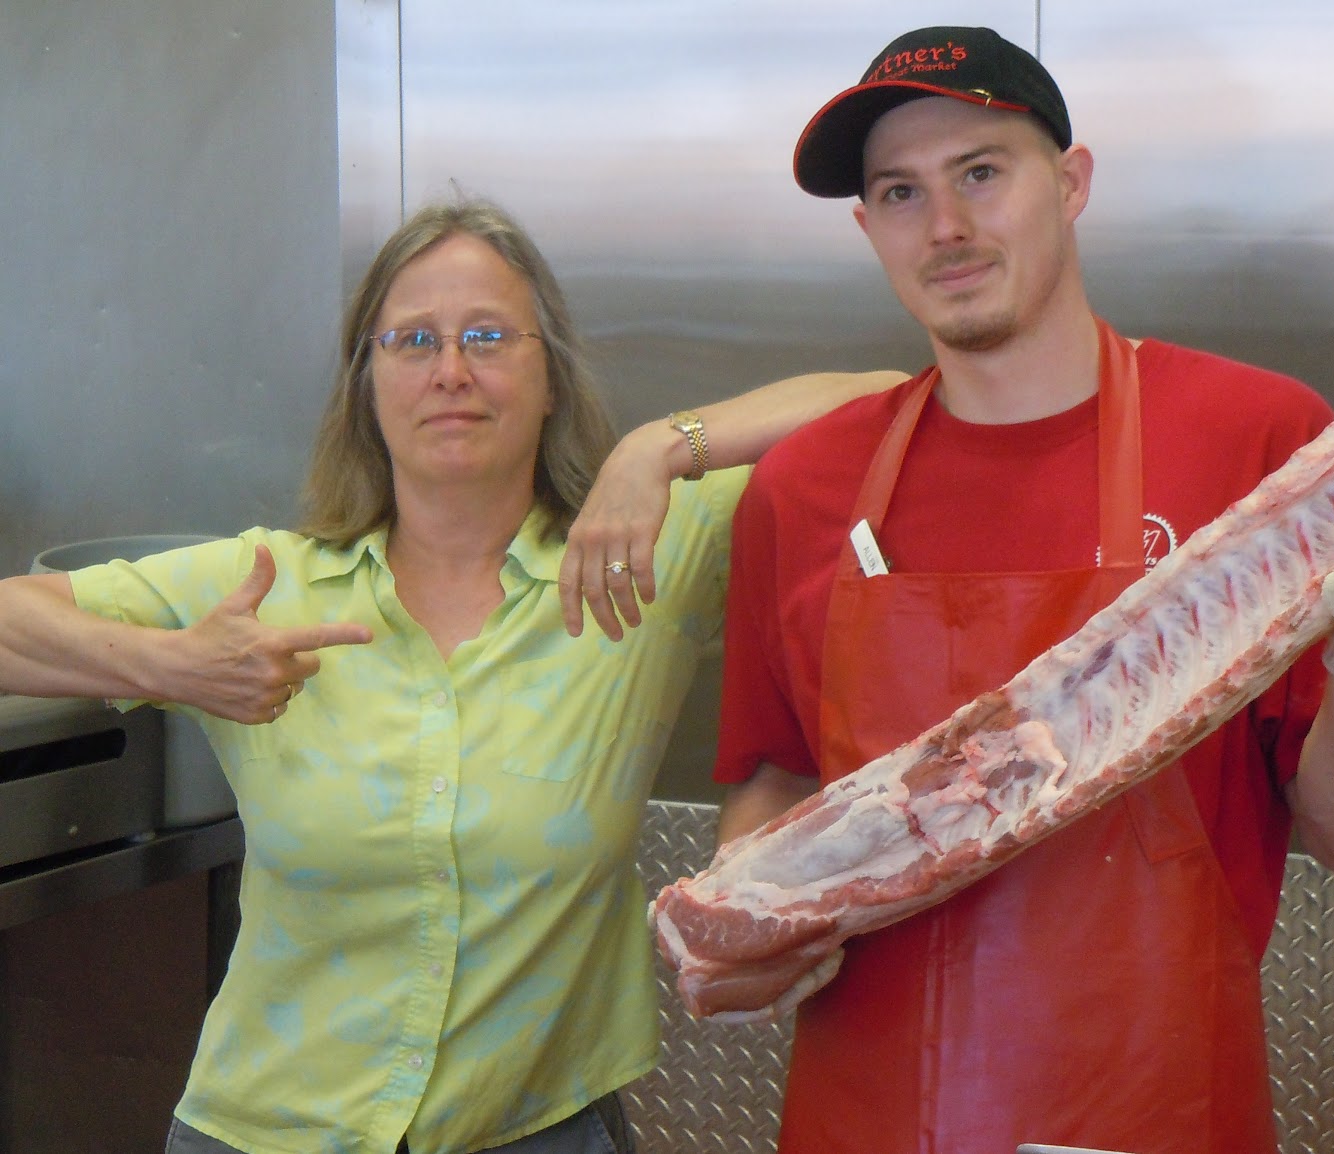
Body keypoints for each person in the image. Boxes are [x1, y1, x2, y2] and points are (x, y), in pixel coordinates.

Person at [708, 26, 1334, 1154]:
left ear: (1070, 183)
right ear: (869, 228)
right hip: (868, 1108)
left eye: (981, 171)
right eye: (900, 192)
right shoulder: (803, 485)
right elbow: (776, 776)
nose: (946, 225)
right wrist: (750, 913)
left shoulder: (1257, 438)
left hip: (1153, 1107)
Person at [0, 198, 900, 1154]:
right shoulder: (269, 584)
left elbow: (890, 401)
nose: (451, 371)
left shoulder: (644, 553)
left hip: (543, 1128)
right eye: (413, 341)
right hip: (267, 1131)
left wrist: (659, 448)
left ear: (550, 378)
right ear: (366, 385)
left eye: (488, 336)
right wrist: (177, 665)